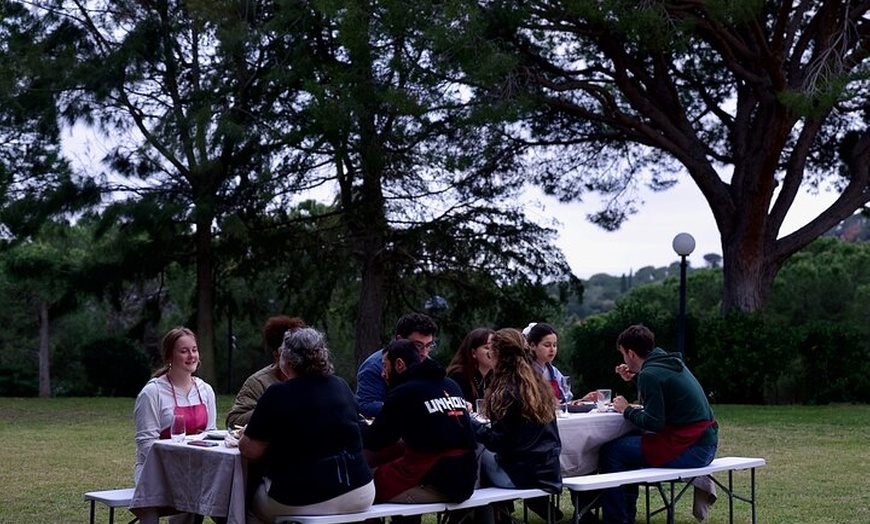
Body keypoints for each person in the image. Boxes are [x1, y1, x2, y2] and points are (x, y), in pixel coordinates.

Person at [239, 327, 375, 523]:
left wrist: (246, 434)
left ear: (286, 359)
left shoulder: (278, 394)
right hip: (360, 491)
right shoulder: (341, 386)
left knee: (244, 501)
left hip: (304, 496)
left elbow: (250, 450)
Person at [599, 324, 718, 524]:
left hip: (692, 448)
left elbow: (655, 422)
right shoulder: (665, 361)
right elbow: (663, 395)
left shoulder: (650, 374)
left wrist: (626, 409)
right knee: (625, 446)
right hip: (706, 443)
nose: (624, 360)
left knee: (613, 451)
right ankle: (625, 516)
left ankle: (618, 519)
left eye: (623, 355)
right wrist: (635, 377)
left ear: (630, 353)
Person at [361, 339, 478, 504]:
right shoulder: (451, 385)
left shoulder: (404, 392)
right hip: (467, 476)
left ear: (399, 364)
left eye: (385, 366)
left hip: (439, 480)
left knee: (363, 490)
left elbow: (378, 440)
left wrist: (356, 426)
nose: (382, 373)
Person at [474, 328, 563, 522]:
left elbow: (497, 442)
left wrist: (470, 423)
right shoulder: (538, 384)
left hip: (520, 475)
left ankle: (487, 518)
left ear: (496, 355)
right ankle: (503, 515)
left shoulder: (505, 389)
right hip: (548, 471)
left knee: (478, 454)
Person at [132, 327, 218, 524]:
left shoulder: (205, 390)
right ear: (169, 355)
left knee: (226, 495)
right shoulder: (152, 393)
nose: (191, 355)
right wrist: (176, 468)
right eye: (184, 351)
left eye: (194, 350)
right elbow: (146, 444)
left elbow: (210, 433)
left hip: (196, 469)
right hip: (156, 472)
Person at [225, 315, 306, 428]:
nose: (300, 359)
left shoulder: (317, 380)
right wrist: (270, 409)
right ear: (278, 355)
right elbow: (234, 421)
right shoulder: (259, 382)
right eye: (293, 354)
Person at [356, 312, 438, 418]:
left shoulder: (428, 363)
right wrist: (413, 408)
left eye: (429, 346)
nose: (424, 353)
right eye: (418, 346)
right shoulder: (373, 367)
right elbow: (366, 406)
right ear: (400, 340)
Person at [523, 322, 573, 403]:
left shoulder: (554, 372)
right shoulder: (524, 371)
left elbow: (567, 398)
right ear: (532, 346)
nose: (552, 350)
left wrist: (583, 400)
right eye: (547, 345)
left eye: (554, 345)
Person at [446, 327, 495, 405]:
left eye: (496, 347)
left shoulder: (494, 376)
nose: (493, 352)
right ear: (473, 353)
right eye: (487, 347)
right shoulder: (458, 376)